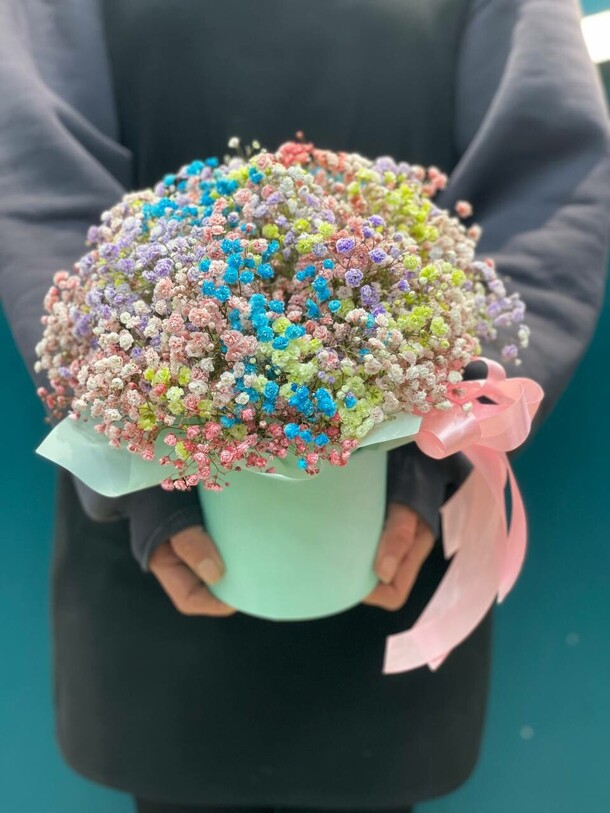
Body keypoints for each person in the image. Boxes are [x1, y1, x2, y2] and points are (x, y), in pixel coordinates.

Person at [1, 1, 609, 811]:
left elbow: (548, 186)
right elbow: (36, 175)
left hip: (402, 555)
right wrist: (139, 459)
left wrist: (433, 449)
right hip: (150, 579)